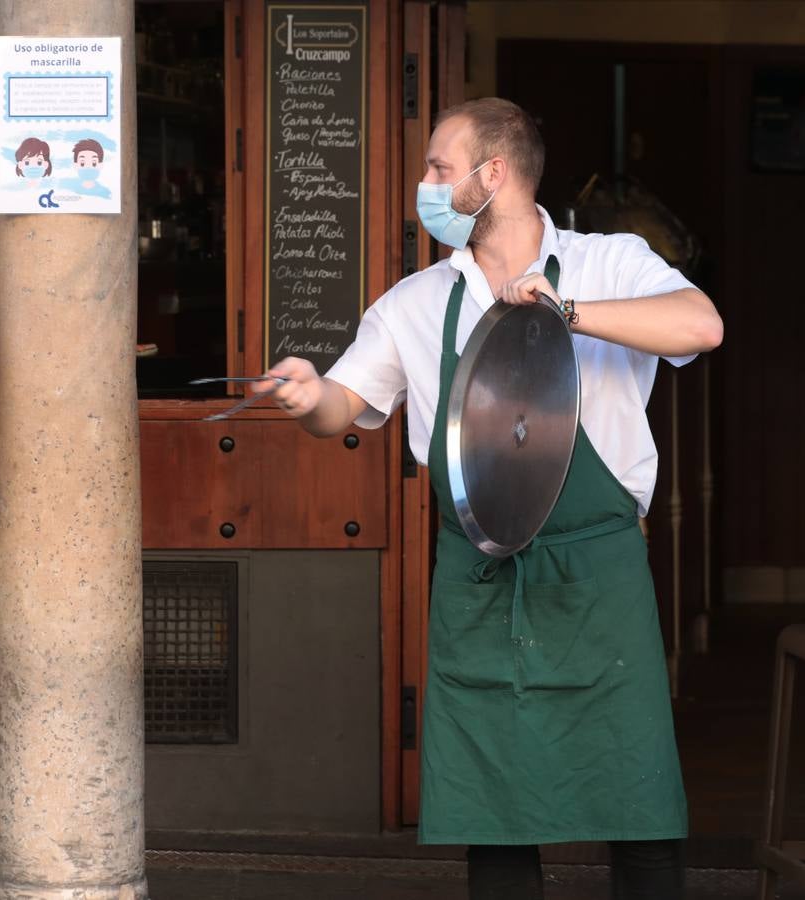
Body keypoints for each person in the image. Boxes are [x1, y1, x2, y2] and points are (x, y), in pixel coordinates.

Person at [261, 97, 722, 898]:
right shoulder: (413, 303)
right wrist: (308, 399)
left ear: (494, 174)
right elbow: (345, 403)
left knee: (637, 796)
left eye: (439, 168)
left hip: (596, 576)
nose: (426, 185)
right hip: (479, 578)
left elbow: (700, 326)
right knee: (494, 814)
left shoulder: (609, 260)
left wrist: (564, 312)